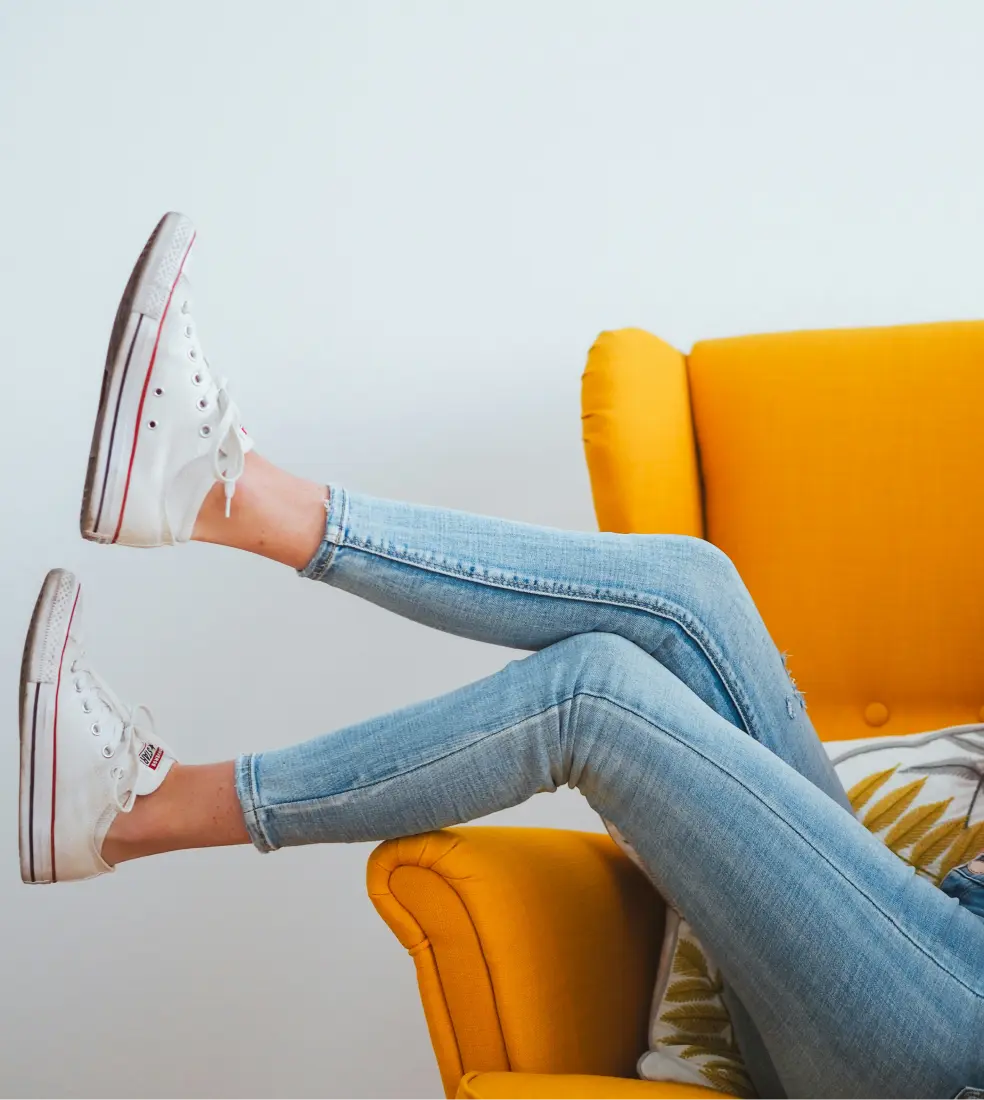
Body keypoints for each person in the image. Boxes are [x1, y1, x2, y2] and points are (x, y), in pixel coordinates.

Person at [18, 213, 984, 1100]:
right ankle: (223, 496)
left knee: (594, 696)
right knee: (689, 593)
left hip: (950, 1050)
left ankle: (136, 815)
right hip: (935, 950)